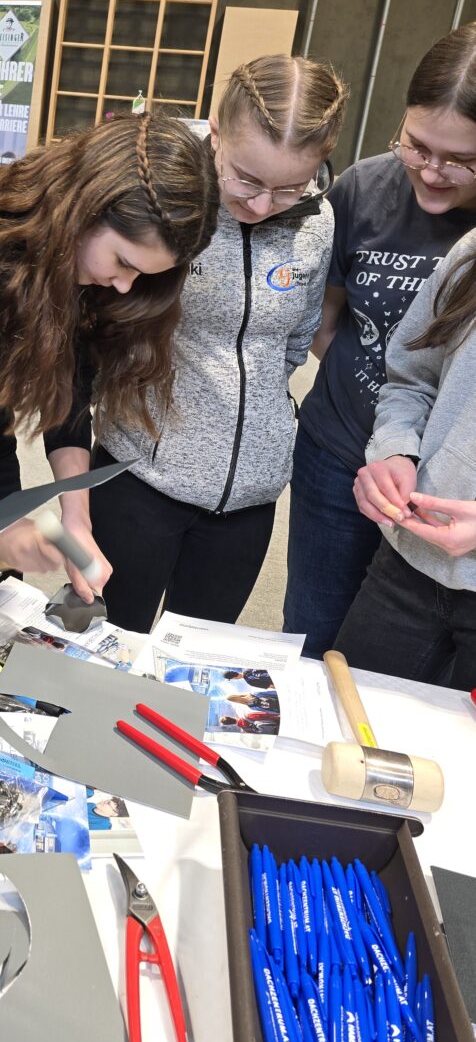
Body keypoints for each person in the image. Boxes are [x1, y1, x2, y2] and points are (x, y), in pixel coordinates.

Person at [0, 113, 220, 608]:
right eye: (123, 263)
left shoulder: (87, 275)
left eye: (143, 277)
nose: (124, 286)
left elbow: (69, 395)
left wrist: (76, 518)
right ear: (85, 209)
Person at [91, 55, 347, 633]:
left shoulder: (319, 221)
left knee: (200, 658)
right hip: (139, 471)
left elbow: (296, 340)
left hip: (250, 493)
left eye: (288, 189)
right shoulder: (163, 193)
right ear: (216, 130)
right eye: (247, 179)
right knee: (110, 643)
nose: (261, 206)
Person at [283, 24, 476, 656]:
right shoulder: (364, 188)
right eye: (417, 146)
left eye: (461, 159)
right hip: (341, 449)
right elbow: (327, 319)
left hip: (445, 492)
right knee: (314, 635)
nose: (433, 172)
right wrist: (388, 430)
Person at [334, 229, 476, 689]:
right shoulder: (471, 251)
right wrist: (395, 450)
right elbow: (412, 378)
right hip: (406, 564)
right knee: (343, 715)